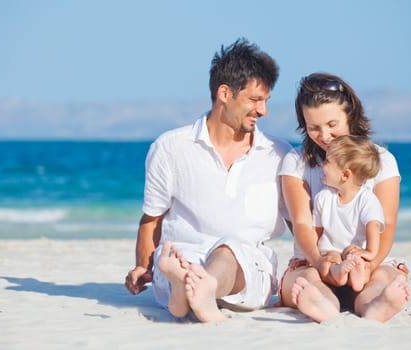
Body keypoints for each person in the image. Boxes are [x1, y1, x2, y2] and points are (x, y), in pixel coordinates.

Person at [124, 38, 291, 322]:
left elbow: (303, 225)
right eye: (254, 100)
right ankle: (188, 289)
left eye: (265, 101)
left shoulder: (279, 154)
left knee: (229, 250)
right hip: (180, 257)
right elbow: (152, 218)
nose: (263, 111)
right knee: (177, 260)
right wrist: (143, 266)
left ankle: (191, 291)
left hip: (244, 268)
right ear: (224, 93)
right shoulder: (170, 148)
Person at [278, 72, 410, 323]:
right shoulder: (295, 162)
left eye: (332, 125)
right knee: (308, 281)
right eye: (314, 127)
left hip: (364, 266)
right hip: (316, 262)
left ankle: (374, 306)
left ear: (350, 116)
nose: (324, 136)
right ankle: (323, 306)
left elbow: (387, 224)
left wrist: (367, 265)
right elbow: (302, 224)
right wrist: (321, 263)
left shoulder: (382, 161)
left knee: (380, 278)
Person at [312, 135, 384, 292]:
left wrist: (371, 252)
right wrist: (311, 255)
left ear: (345, 175)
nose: (322, 164)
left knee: (361, 264)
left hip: (353, 251)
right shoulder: (323, 197)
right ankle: (339, 272)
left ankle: (357, 278)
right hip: (330, 250)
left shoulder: (366, 199)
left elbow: (374, 224)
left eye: (327, 161)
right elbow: (316, 230)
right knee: (327, 263)